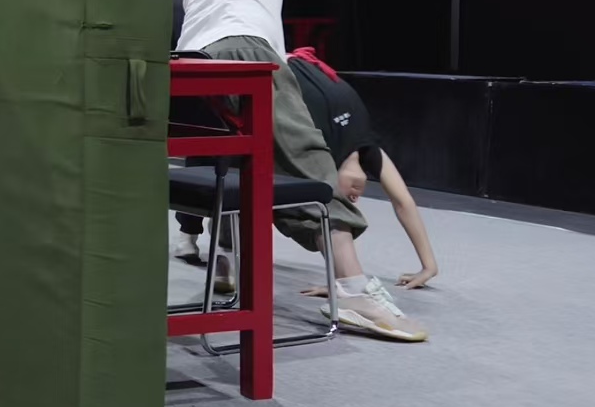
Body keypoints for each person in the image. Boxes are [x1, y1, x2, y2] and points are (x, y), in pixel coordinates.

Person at [178, 0, 427, 342]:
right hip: (246, 57)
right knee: (312, 162)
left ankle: (238, 263)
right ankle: (353, 291)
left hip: (198, 68)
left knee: (263, 171)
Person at [173, 47, 443, 293]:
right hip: (269, 69)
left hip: (290, 69)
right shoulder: (315, 137)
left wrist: (428, 265)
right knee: (236, 166)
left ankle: (216, 249)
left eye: (352, 197)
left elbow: (403, 201)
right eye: (352, 195)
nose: (353, 197)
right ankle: (199, 238)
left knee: (251, 172)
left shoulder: (367, 148)